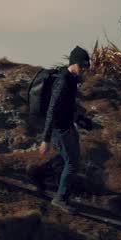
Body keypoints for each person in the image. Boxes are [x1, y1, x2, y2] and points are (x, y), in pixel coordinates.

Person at [39, 46, 92, 210]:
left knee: (71, 160)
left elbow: (66, 106)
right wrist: (45, 139)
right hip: (60, 130)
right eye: (82, 66)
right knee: (72, 163)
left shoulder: (70, 80)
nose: (84, 70)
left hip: (67, 126)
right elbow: (52, 110)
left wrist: (79, 119)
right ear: (74, 64)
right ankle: (60, 198)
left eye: (86, 67)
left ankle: (50, 181)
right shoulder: (63, 81)